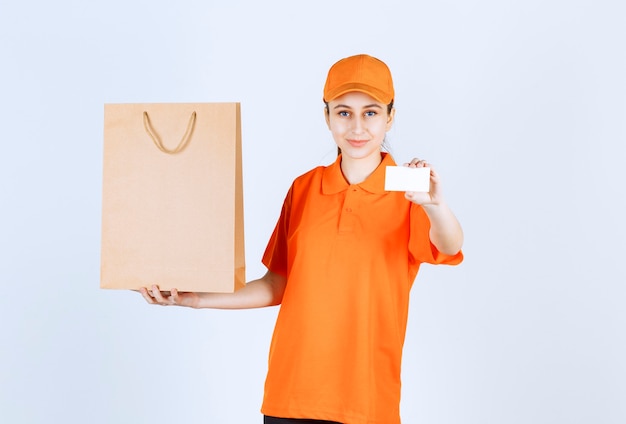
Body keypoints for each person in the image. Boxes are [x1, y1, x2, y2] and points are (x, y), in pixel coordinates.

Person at [140, 53, 464, 424]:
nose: (357, 126)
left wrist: (436, 205)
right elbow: (278, 283)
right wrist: (195, 299)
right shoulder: (304, 188)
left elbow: (449, 246)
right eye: (343, 112)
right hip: (290, 394)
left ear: (390, 115)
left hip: (366, 399)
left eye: (371, 112)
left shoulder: (410, 191)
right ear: (327, 116)